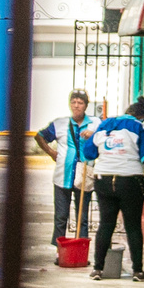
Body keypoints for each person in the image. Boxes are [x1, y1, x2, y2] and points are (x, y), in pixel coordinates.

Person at [84, 95, 144, 281]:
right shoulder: (141, 127)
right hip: (130, 181)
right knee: (133, 226)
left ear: (127, 112)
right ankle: (138, 271)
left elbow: (88, 152)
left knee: (105, 224)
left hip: (103, 179)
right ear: (141, 116)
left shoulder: (105, 125)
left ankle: (97, 269)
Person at [33, 89, 93, 247]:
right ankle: (60, 251)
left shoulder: (95, 124)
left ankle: (81, 248)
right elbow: (39, 136)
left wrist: (93, 135)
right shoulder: (59, 124)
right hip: (62, 176)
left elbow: (105, 138)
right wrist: (51, 152)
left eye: (80, 103)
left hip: (84, 176)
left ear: (86, 106)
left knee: (82, 217)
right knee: (60, 216)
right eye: (73, 102)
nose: (76, 106)